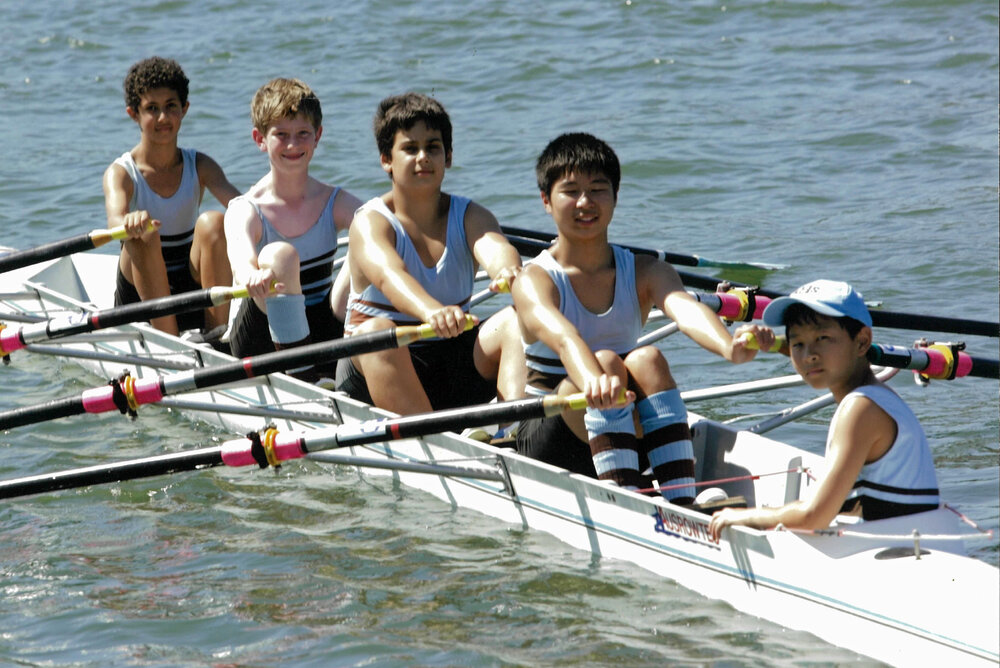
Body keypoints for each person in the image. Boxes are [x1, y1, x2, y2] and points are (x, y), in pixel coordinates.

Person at [512, 132, 773, 504]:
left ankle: (681, 501)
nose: (585, 202)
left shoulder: (646, 271)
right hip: (548, 434)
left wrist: (730, 348)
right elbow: (565, 339)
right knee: (605, 362)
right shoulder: (534, 279)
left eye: (598, 189)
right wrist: (594, 380)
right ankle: (628, 499)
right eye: (570, 191)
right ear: (546, 201)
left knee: (648, 359)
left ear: (615, 198)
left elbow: (686, 310)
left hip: (616, 415)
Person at [336, 92, 524, 414]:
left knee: (517, 320)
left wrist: (507, 271)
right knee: (378, 333)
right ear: (386, 161)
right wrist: (432, 311)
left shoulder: (471, 215)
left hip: (451, 360)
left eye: (433, 148)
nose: (423, 157)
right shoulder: (370, 223)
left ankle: (514, 429)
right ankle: (432, 445)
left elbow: (496, 249)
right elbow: (390, 276)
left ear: (448, 157)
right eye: (410, 148)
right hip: (377, 370)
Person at [709, 280, 941, 538]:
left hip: (901, 557)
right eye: (798, 344)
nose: (809, 355)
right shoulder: (875, 397)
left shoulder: (860, 409)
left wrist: (741, 516)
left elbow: (815, 516)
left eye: (823, 338)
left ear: (863, 342)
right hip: (909, 540)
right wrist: (771, 342)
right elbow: (815, 350)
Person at [224, 78, 362, 379]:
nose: (293, 145)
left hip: (321, 327)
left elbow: (386, 226)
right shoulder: (245, 209)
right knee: (280, 256)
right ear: (260, 139)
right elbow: (241, 259)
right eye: (281, 135)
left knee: (370, 232)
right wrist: (252, 274)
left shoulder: (334, 201)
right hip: (259, 337)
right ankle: (306, 381)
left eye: (303, 134)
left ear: (318, 136)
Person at [104, 56, 240, 337]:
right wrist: (128, 221)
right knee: (144, 234)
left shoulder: (200, 165)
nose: (163, 118)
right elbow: (114, 222)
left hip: (187, 286)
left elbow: (243, 209)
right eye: (152, 109)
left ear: (184, 109)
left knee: (215, 222)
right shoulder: (121, 173)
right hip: (139, 300)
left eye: (170, 107)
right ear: (134, 114)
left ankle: (217, 336)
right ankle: (171, 341)